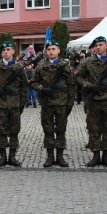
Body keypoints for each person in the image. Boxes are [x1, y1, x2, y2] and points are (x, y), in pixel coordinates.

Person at [75, 36, 107, 168]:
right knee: (93, 129)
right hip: (93, 101)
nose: (98, 47)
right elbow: (78, 77)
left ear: (106, 46)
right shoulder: (88, 62)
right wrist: (88, 85)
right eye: (96, 45)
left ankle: (106, 156)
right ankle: (96, 156)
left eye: (101, 45)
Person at [30, 40, 76, 168]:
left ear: (58, 50)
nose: (51, 51)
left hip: (62, 103)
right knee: (48, 130)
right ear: (46, 51)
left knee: (61, 130)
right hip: (47, 104)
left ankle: (60, 157)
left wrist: (70, 103)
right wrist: (42, 89)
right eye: (49, 49)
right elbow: (33, 82)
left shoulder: (65, 66)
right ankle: (50, 157)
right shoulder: (41, 65)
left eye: (53, 49)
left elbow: (71, 85)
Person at [0, 41, 27, 167]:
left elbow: (24, 86)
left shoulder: (19, 67)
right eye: (3, 50)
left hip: (14, 104)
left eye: (8, 49)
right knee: (1, 131)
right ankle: (2, 156)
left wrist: (22, 103)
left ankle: (12, 156)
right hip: (1, 104)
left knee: (14, 131)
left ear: (13, 51)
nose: (6, 52)